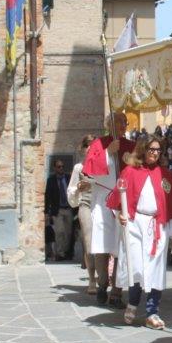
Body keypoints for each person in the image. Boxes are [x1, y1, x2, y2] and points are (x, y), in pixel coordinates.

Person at [107, 135, 172, 329]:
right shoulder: (130, 172)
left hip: (158, 226)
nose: (155, 153)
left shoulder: (165, 175)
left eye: (158, 150)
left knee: (156, 270)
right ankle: (133, 303)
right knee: (136, 267)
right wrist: (120, 215)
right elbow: (118, 199)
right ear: (143, 150)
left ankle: (152, 312)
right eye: (151, 149)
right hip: (135, 224)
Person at [82, 113, 136, 307]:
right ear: (109, 124)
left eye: (125, 122)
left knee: (122, 246)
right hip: (103, 202)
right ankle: (103, 283)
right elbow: (90, 169)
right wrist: (108, 152)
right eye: (119, 122)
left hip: (123, 201)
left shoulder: (130, 145)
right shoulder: (98, 144)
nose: (123, 125)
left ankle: (117, 292)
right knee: (103, 246)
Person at [67, 135, 97, 293]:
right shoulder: (79, 168)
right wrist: (78, 188)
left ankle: (104, 276)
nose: (90, 149)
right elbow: (71, 190)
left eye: (94, 146)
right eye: (88, 146)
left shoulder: (104, 166)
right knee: (89, 243)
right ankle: (92, 279)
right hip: (85, 205)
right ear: (84, 149)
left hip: (102, 206)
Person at [45, 159, 74, 261]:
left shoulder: (68, 178)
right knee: (59, 232)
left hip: (68, 209)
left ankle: (66, 252)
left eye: (62, 166)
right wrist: (46, 212)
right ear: (55, 168)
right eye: (58, 167)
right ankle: (60, 253)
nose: (61, 168)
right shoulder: (51, 180)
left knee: (68, 233)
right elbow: (47, 196)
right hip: (57, 210)